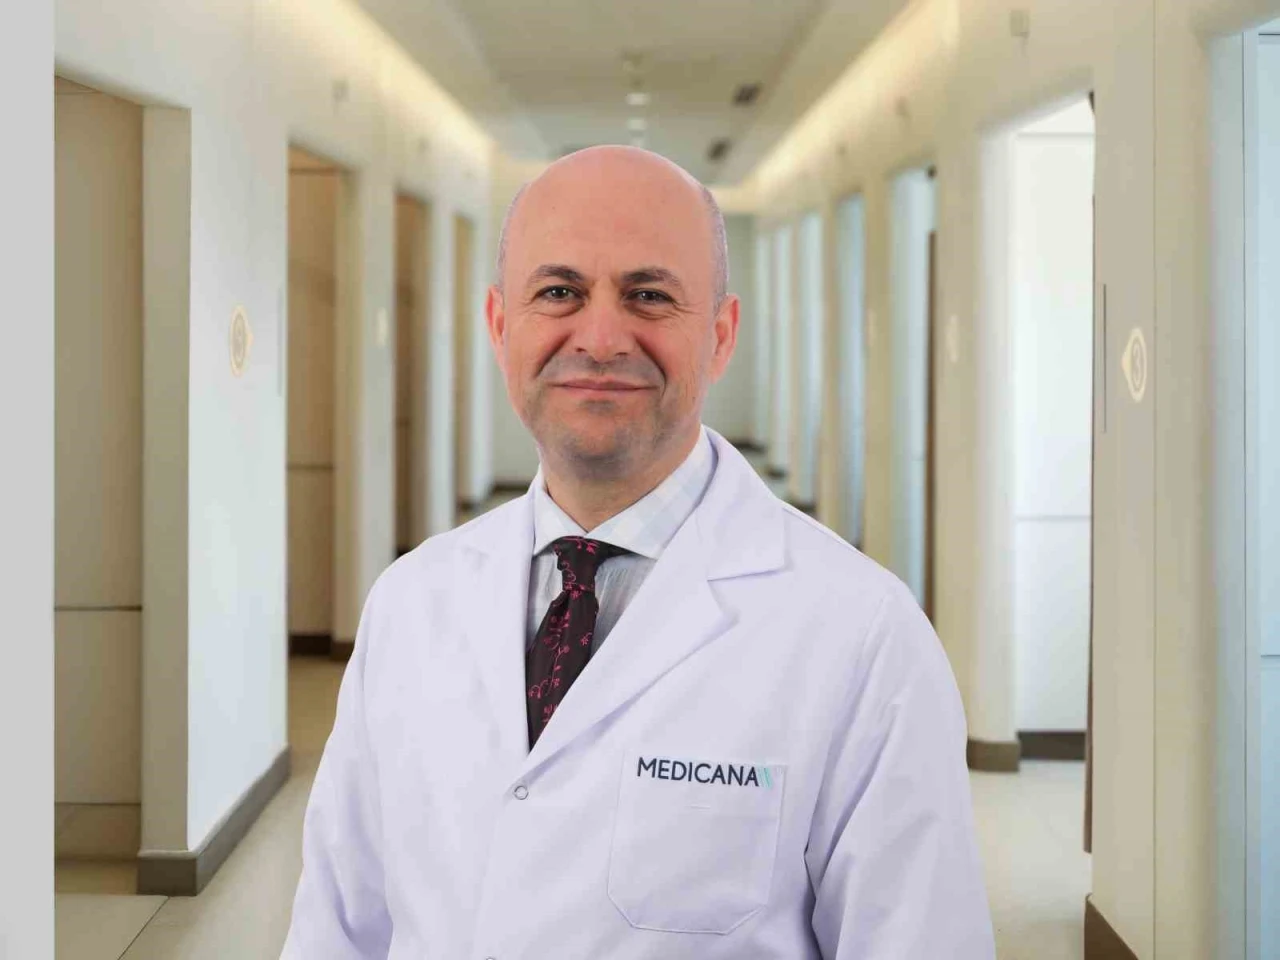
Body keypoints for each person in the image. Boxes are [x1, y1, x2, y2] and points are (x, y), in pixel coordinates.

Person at [282, 145, 995, 959]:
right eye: (559, 292)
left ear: (720, 336)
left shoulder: (863, 633)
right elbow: (336, 927)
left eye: (649, 295)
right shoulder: (411, 602)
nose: (599, 338)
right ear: (501, 326)